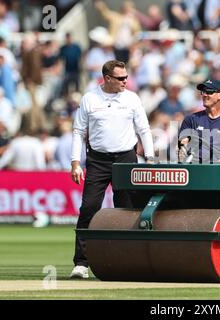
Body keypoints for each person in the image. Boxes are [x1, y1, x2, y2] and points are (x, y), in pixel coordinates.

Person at [70, 60, 155, 279]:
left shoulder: (132, 98)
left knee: (127, 209)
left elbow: (144, 129)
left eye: (126, 77)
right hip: (97, 160)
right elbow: (78, 131)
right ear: (107, 78)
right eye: (121, 78)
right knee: (89, 208)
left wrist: (151, 158)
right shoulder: (90, 99)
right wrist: (75, 163)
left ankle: (128, 260)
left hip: (126, 158)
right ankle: (81, 263)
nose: (126, 81)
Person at [178, 79, 220, 163]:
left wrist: (213, 167)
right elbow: (182, 146)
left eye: (209, 92)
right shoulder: (191, 119)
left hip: (218, 170)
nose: (205, 95)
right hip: (194, 166)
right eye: (203, 92)